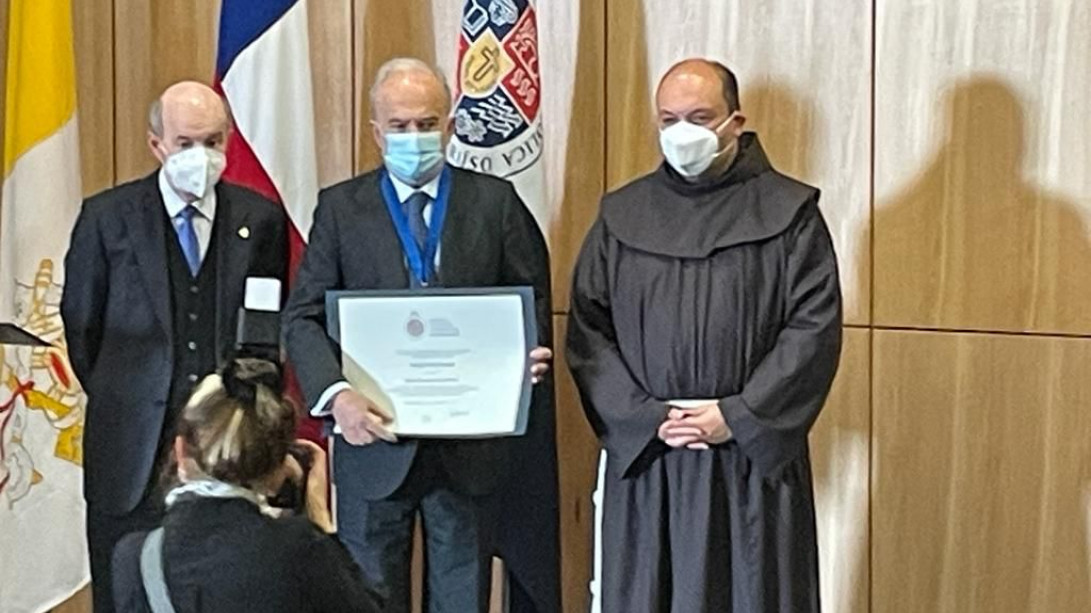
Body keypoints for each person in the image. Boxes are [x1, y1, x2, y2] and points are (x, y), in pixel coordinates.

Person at [566, 58, 843, 612]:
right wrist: (646, 418)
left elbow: (812, 329)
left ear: (735, 122)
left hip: (748, 460)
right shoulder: (622, 216)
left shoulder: (790, 215)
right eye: (669, 119)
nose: (682, 133)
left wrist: (738, 416)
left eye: (699, 117)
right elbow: (589, 329)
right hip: (650, 454)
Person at [283, 57, 555, 613]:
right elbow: (302, 317)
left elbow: (531, 306)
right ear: (376, 132)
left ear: (451, 124)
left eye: (427, 124)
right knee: (367, 598)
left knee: (461, 598)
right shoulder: (341, 208)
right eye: (400, 127)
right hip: (370, 444)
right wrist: (338, 397)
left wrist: (524, 362)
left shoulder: (494, 203)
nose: (415, 138)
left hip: (467, 451)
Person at [61, 81, 288, 612]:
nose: (201, 157)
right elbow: (82, 327)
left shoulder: (260, 220)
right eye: (186, 143)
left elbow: (263, 330)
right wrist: (133, 393)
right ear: (156, 144)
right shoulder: (106, 217)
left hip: (225, 455)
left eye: (212, 142)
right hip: (131, 452)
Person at [111, 358, 381, 612]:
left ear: (180, 450)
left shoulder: (134, 557)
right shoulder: (299, 548)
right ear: (279, 469)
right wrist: (320, 521)